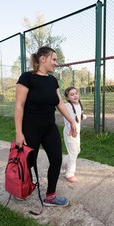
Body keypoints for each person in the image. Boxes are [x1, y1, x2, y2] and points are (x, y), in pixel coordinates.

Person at [14, 46, 77, 207]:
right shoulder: (27, 78)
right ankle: (21, 188)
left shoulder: (52, 80)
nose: (56, 63)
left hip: (49, 127)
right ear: (43, 59)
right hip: (30, 128)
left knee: (56, 159)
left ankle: (50, 196)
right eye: (54, 59)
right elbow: (19, 105)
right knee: (29, 162)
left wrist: (71, 121)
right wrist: (19, 132)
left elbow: (60, 103)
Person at [62, 86, 86, 183]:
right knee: (73, 153)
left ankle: (65, 161)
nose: (75, 96)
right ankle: (69, 173)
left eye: (76, 93)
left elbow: (77, 115)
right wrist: (70, 130)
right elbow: (67, 120)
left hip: (76, 131)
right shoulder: (67, 106)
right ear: (67, 98)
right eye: (72, 95)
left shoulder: (78, 104)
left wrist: (82, 117)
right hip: (70, 132)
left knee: (77, 150)